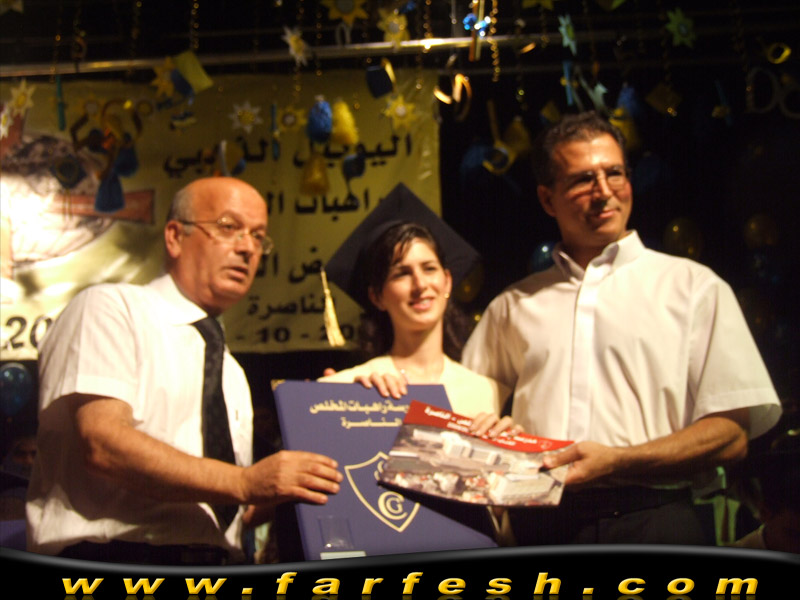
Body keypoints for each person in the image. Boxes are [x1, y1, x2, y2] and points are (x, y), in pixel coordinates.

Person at [461, 112, 783, 545]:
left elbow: (730, 437)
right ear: (547, 199)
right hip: (541, 524)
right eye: (583, 179)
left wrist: (618, 460)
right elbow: (462, 410)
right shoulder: (514, 304)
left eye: (614, 173)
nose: (604, 191)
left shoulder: (693, 288)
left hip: (658, 522)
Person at [26, 177, 343, 564]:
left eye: (259, 236)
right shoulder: (111, 309)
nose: (247, 247)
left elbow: (230, 506)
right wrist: (244, 482)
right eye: (228, 227)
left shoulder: (230, 369)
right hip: (113, 562)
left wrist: (317, 446)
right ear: (175, 236)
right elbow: (103, 444)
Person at [319, 183, 511, 434]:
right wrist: (354, 406)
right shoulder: (349, 388)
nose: (420, 285)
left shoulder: (489, 394)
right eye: (401, 274)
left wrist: (509, 445)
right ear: (377, 296)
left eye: (429, 269)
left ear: (447, 281)